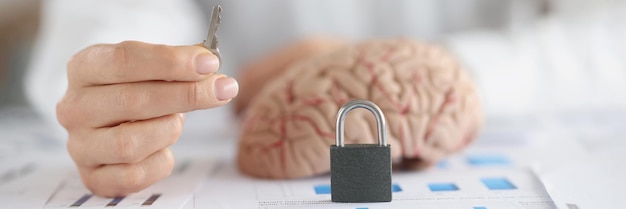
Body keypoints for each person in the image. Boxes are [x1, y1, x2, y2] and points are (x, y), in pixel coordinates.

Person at [31, 0, 625, 197]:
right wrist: (117, 72)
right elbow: (106, 14)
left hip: (493, 107)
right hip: (234, 122)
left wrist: (447, 75)